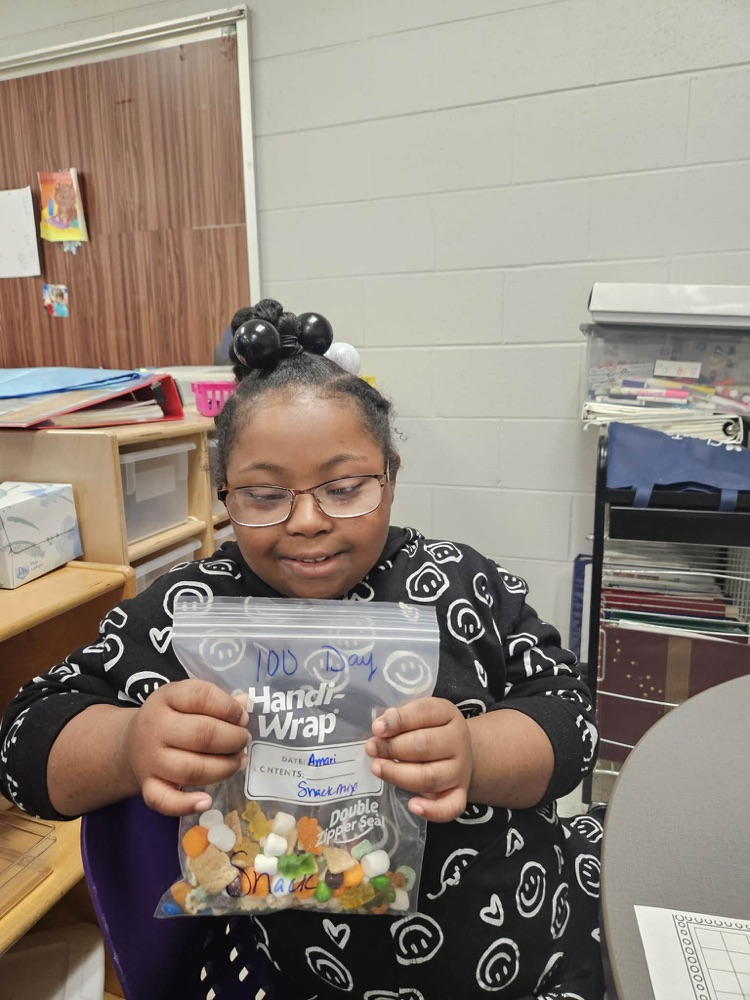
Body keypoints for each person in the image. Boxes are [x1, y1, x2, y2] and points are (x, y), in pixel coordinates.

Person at [0, 299, 604, 1000]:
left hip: (533, 947)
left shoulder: (460, 584)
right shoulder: (192, 610)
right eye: (263, 495)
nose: (309, 521)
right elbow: (23, 740)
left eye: (345, 488)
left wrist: (479, 751)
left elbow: (571, 712)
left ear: (392, 476)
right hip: (312, 976)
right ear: (223, 495)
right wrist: (129, 742)